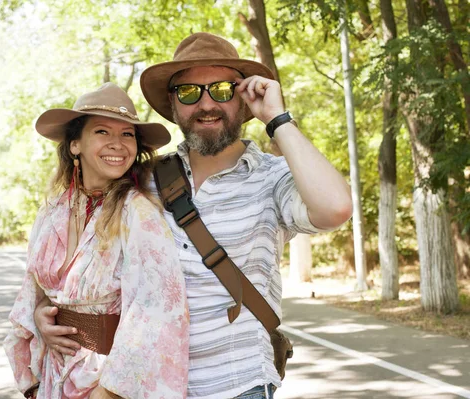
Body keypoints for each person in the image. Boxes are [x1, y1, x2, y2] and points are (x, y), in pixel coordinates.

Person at [35, 33, 353, 399]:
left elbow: (335, 208)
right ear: (173, 104)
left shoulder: (272, 177)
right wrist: (49, 313)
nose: (206, 104)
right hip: (147, 386)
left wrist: (277, 119)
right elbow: (82, 258)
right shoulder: (141, 180)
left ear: (243, 97)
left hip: (237, 384)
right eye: (189, 92)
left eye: (222, 89)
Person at [4, 83, 190, 399]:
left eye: (127, 134)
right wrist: (40, 323)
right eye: (102, 132)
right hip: (54, 373)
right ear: (75, 144)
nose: (117, 144)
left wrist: (108, 392)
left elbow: (158, 311)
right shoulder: (53, 210)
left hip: (109, 382)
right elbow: (34, 292)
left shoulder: (138, 211)